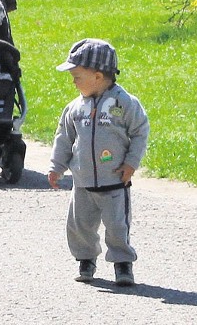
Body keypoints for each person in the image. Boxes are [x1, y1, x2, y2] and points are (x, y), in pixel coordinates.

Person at [47, 39, 149, 286]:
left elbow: (139, 132)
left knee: (117, 227)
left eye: (77, 76)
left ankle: (123, 264)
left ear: (97, 76)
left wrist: (131, 163)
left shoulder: (124, 103)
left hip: (114, 180)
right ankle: (86, 260)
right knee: (79, 226)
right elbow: (64, 138)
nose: (73, 81)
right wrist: (57, 166)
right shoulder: (74, 109)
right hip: (82, 183)